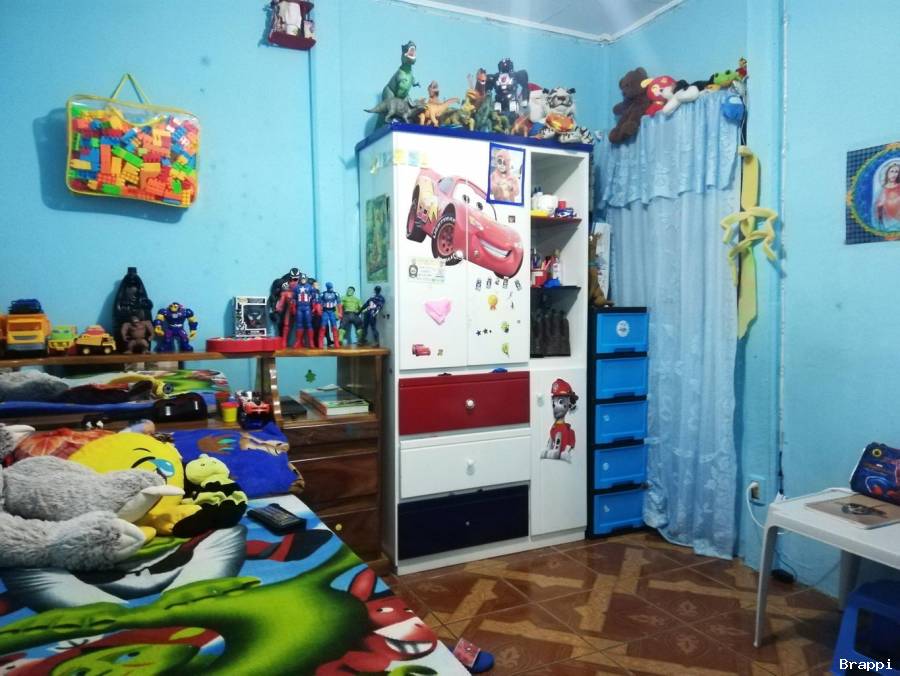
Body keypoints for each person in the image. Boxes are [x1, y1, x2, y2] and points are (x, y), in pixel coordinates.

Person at [875, 161, 900, 231]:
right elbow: (879, 205)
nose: (894, 174)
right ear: (887, 173)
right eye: (892, 171)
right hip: (888, 219)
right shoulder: (883, 189)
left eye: (896, 172)